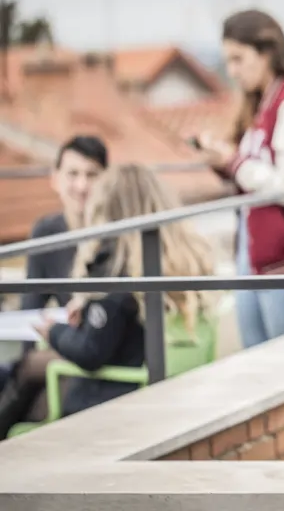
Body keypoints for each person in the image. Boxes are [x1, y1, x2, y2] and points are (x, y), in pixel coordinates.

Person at [0, 164, 215, 438]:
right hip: (153, 383)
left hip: (115, 393)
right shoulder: (171, 259)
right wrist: (88, 309)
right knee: (27, 372)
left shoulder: (116, 270)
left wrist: (53, 330)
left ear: (108, 208)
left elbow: (91, 353)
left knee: (27, 376)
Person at [196, 9, 284, 348]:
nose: (232, 71)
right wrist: (225, 163)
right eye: (227, 61)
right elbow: (257, 172)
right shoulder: (262, 104)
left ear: (267, 53)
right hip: (259, 256)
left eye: (239, 59)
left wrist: (236, 162)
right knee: (257, 365)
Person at [20, 135, 108, 315]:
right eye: (72, 174)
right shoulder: (45, 233)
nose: (82, 186)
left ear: (107, 180)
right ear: (55, 179)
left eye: (92, 175)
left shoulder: (121, 232)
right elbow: (31, 309)